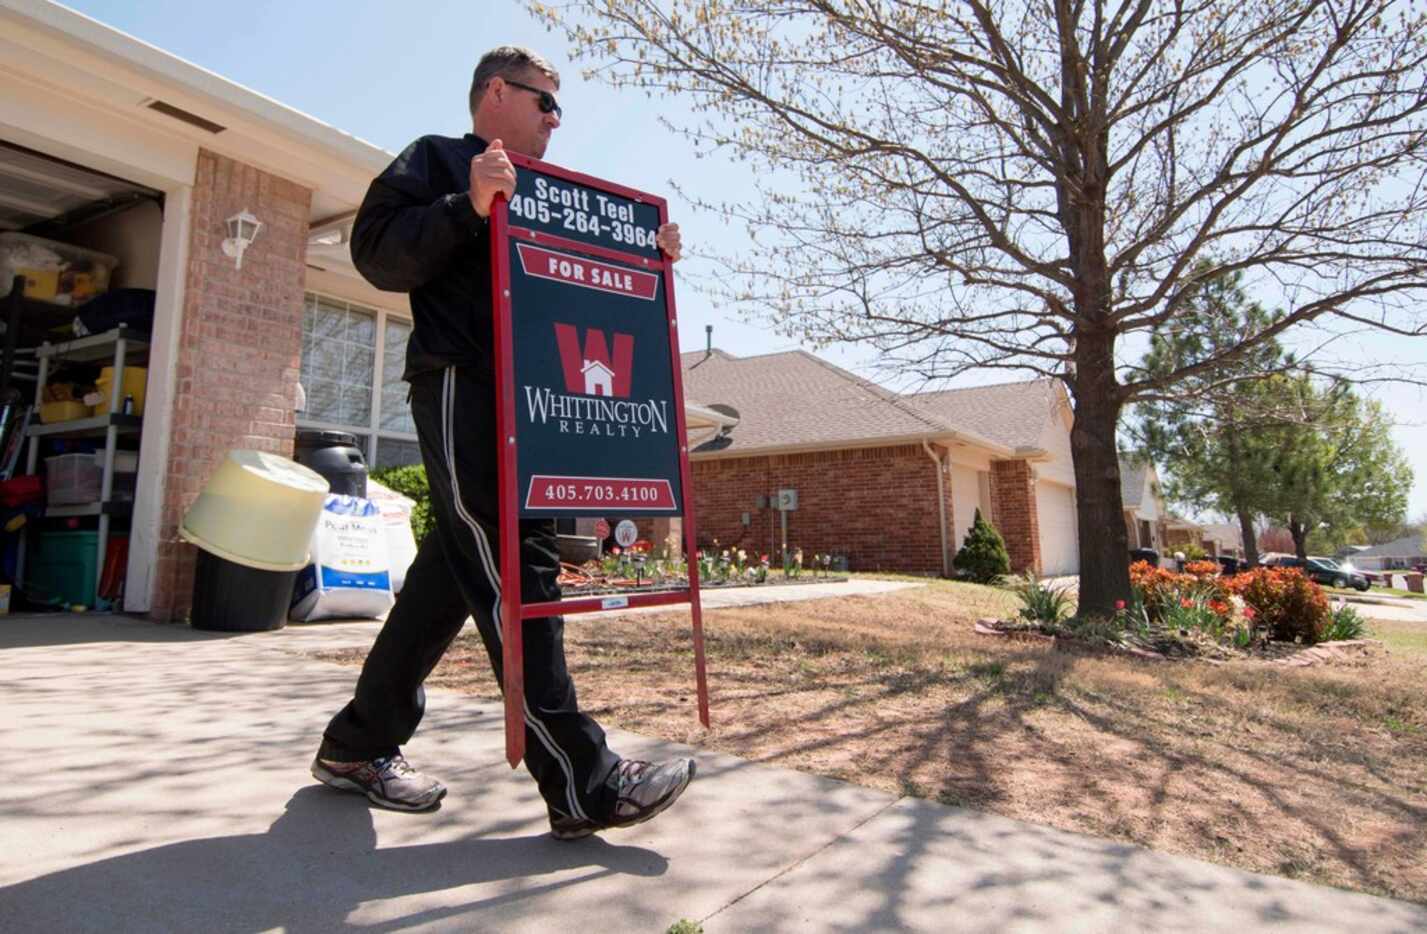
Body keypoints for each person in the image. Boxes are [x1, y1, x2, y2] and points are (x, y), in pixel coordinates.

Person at [312, 46, 694, 841]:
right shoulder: (438, 160)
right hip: (465, 387)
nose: (556, 120)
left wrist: (644, 258)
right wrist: (465, 205)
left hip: (538, 406)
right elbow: (376, 256)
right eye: (545, 102)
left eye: (558, 108)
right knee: (516, 567)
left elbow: (585, 287)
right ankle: (585, 782)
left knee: (451, 577)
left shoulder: (554, 196)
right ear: (495, 93)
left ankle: (357, 744)